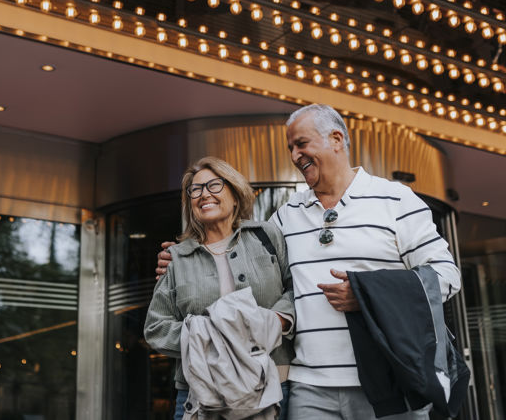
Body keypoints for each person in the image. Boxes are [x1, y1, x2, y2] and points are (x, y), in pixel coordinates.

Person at [157, 104, 461, 419]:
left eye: (301, 144)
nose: (294, 155)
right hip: (308, 388)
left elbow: (447, 276)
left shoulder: (396, 200)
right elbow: (240, 264)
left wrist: (369, 295)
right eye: (290, 148)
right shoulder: (285, 217)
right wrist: (182, 264)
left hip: (389, 383)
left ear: (336, 139)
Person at [145, 156, 295, 420]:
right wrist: (209, 334)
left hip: (273, 387)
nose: (204, 194)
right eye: (196, 189)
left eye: (214, 185)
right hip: (201, 394)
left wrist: (277, 321)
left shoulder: (266, 236)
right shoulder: (177, 257)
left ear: (235, 194)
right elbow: (156, 327)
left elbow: (296, 289)